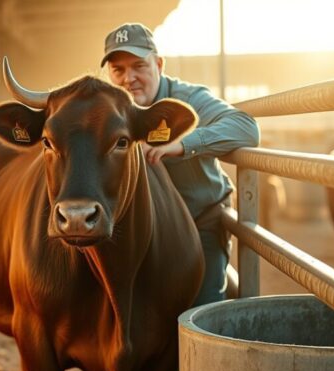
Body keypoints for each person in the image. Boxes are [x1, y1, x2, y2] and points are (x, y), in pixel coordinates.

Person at [100, 22, 260, 307]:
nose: (129, 78)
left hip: (200, 219)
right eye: (118, 70)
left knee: (201, 309)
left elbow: (245, 127)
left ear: (159, 64)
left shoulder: (187, 100)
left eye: (139, 66)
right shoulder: (107, 111)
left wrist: (182, 144)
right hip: (144, 231)